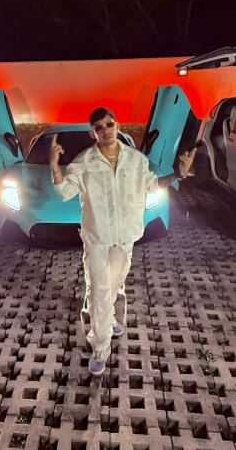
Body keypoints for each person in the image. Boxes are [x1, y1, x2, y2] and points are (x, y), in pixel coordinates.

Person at [51, 107, 196, 375]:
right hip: (97, 239)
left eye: (109, 124)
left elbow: (152, 185)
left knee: (113, 284)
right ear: (93, 133)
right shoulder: (84, 163)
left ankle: (106, 318)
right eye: (99, 127)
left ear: (117, 125)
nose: (105, 130)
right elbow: (64, 192)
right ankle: (101, 344)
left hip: (125, 237)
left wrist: (179, 174)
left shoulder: (136, 160)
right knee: (100, 291)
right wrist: (54, 167)